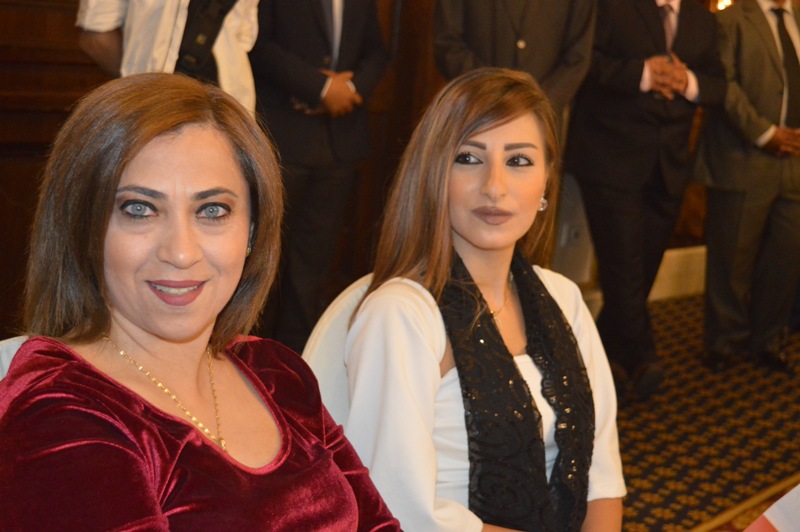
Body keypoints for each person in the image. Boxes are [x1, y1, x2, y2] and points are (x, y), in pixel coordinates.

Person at [0, 73, 399, 530]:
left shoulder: (277, 374)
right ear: (82, 227)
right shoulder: (59, 410)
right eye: (139, 209)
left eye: (212, 210)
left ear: (252, 231)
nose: (181, 252)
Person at [339, 68, 625, 531]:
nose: (495, 186)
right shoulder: (401, 315)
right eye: (469, 158)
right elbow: (396, 508)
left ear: (547, 183)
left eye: (519, 161)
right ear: (434, 175)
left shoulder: (564, 298)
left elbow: (601, 477)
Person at [564, 0, 727, 400]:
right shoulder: (611, 6)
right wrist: (644, 74)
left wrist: (686, 80)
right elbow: (583, 64)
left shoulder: (702, 19)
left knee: (639, 273)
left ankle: (597, 364)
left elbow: (719, 85)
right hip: (609, 157)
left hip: (669, 167)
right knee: (624, 267)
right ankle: (643, 357)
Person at [248, 0, 388, 353]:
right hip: (281, 140)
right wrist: (320, 88)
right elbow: (258, 45)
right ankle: (246, 354)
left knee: (312, 271)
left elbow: (376, 52)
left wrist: (351, 90)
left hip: (338, 144)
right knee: (262, 261)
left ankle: (295, 361)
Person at [697, 0, 800, 373]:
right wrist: (766, 133)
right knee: (732, 261)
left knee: (784, 259)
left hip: (795, 162)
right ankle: (723, 342)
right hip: (743, 157)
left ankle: (768, 340)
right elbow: (724, 85)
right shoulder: (731, 20)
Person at [76, 0, 258, 112]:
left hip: (228, 102)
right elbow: (95, 36)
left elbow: (243, 37)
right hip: (151, 103)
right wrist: (139, 85)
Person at [433, 0, 596, 123]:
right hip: (474, 114)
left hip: (541, 122)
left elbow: (577, 57)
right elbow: (447, 43)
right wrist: (490, 95)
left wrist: (539, 104)